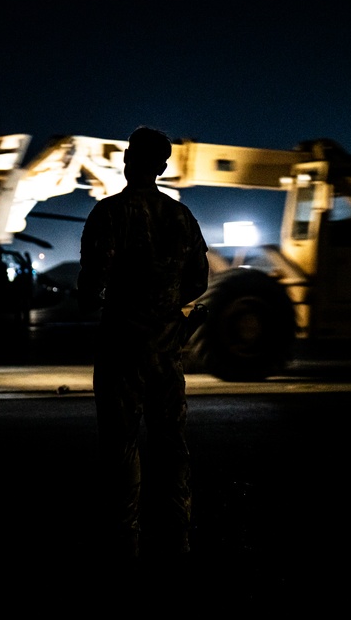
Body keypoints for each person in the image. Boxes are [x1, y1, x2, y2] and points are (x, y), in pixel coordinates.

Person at [78, 126, 210, 560]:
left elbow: (90, 286)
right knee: (170, 442)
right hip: (166, 349)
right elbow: (197, 281)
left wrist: (117, 299)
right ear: (164, 167)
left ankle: (124, 540)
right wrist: (165, 304)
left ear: (127, 161)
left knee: (120, 444)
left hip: (121, 347)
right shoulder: (181, 217)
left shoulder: (108, 214)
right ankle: (177, 537)